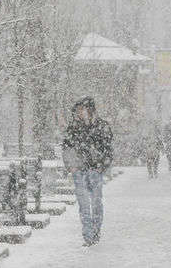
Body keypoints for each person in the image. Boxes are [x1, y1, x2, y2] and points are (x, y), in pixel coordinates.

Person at [62, 97, 114, 246]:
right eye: (77, 110)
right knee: (84, 205)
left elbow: (108, 149)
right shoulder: (73, 128)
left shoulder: (102, 126)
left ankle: (96, 231)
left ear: (89, 110)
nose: (79, 113)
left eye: (81, 109)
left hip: (95, 170)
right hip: (79, 171)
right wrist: (71, 166)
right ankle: (88, 235)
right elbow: (67, 149)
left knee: (96, 202)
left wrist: (101, 166)